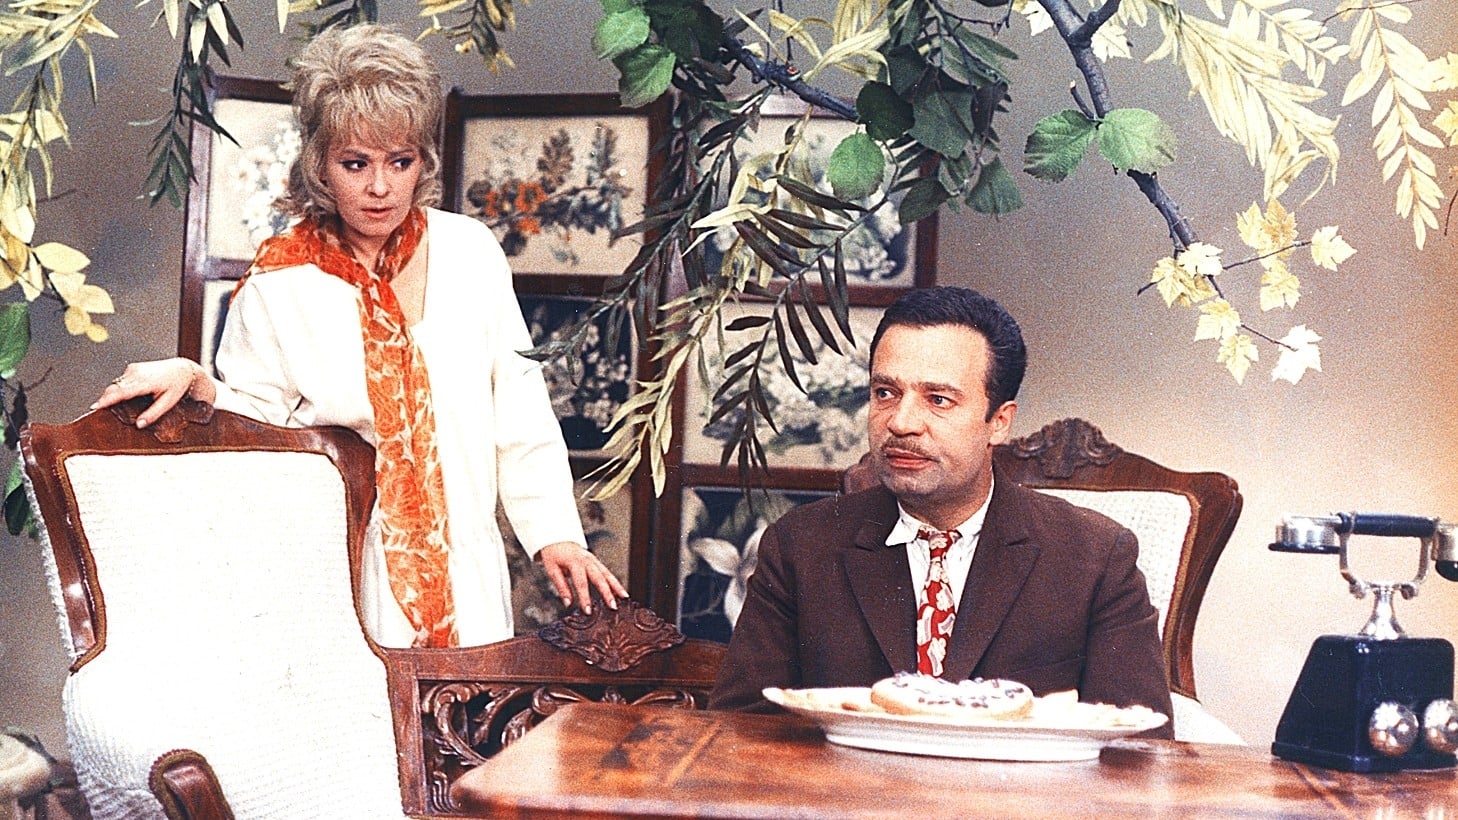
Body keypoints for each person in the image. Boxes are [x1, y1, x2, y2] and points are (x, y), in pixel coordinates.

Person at [92, 23, 626, 648]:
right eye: (356, 163)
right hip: (340, 582)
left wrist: (555, 534)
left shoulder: (471, 253)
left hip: (468, 579)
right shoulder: (280, 283)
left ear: (424, 160)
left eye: (401, 161)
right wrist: (198, 382)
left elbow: (520, 407)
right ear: (320, 164)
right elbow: (261, 433)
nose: (380, 187)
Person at [709, 286, 1175, 737]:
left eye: (938, 400)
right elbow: (740, 732)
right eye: (885, 392)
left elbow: (1139, 750)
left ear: (999, 422)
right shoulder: (800, 546)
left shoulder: (1095, 557)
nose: (901, 422)